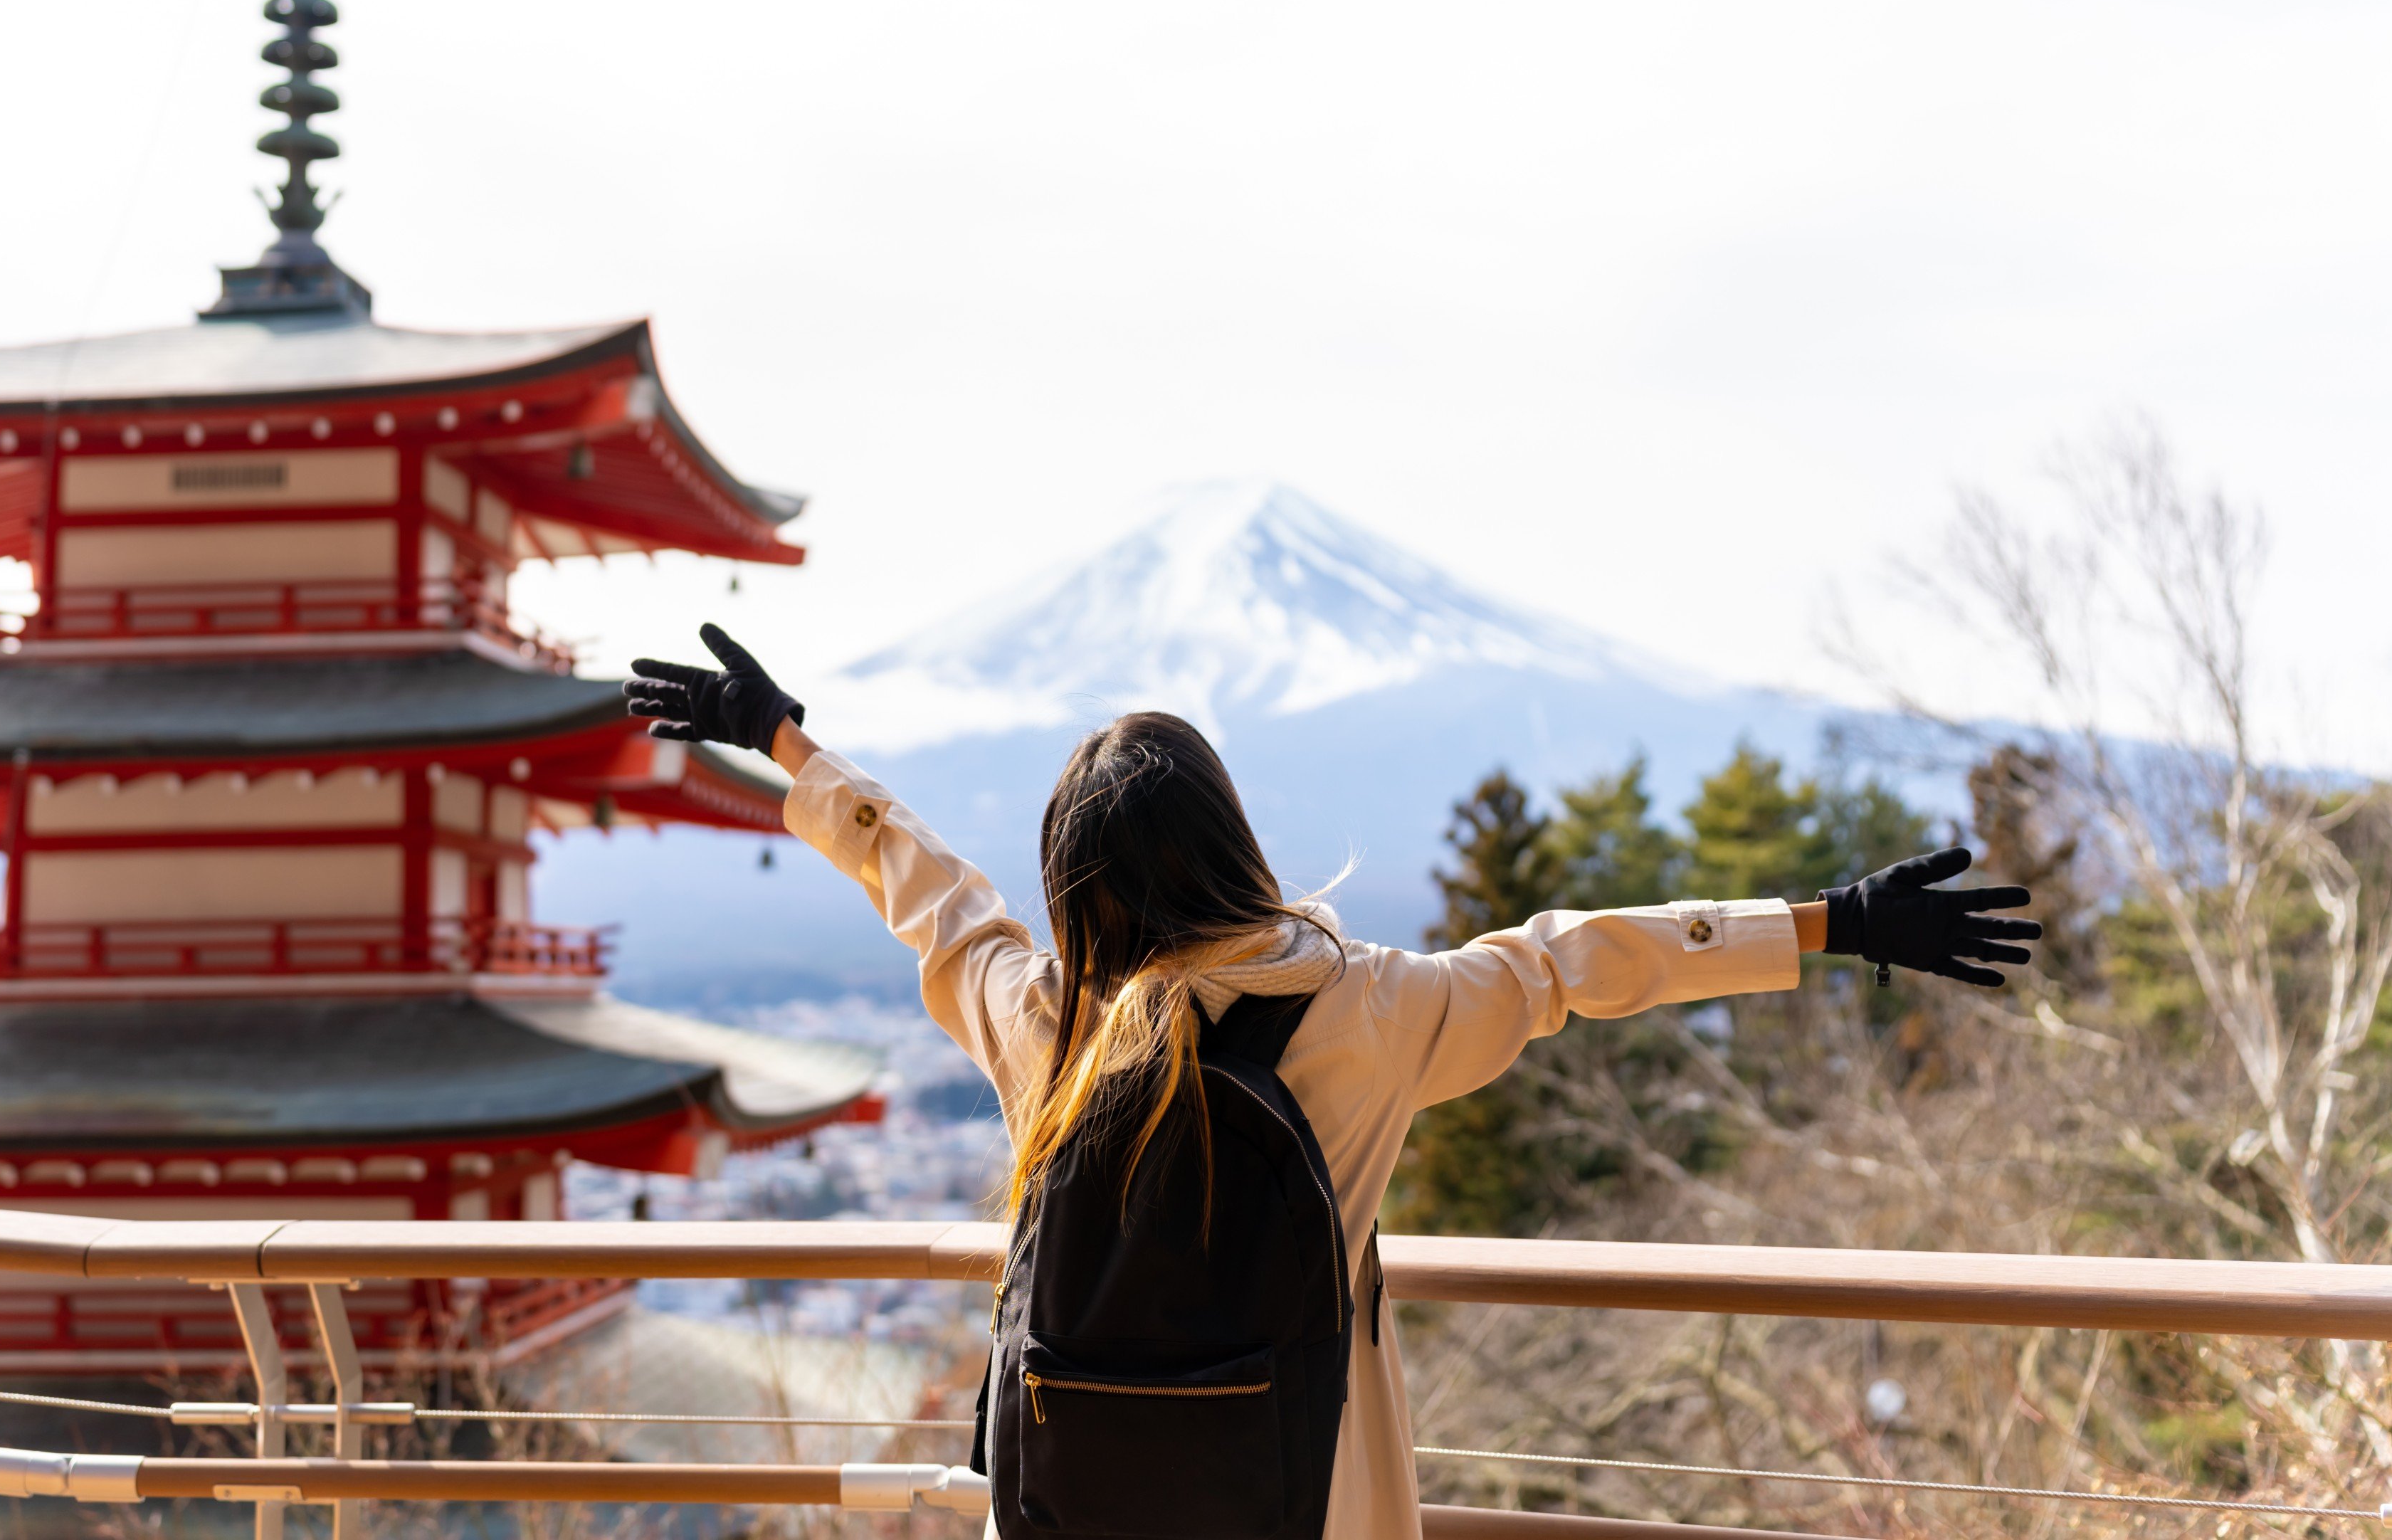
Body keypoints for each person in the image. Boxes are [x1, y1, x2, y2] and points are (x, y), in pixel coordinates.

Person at [627, 626, 2038, 1540]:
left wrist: (790, 747)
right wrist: (1830, 923)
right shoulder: (1367, 1012)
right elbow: (1571, 963)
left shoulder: (1053, 1031)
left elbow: (937, 900)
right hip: (1307, 1502)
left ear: (1080, 884)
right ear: (1229, 843)